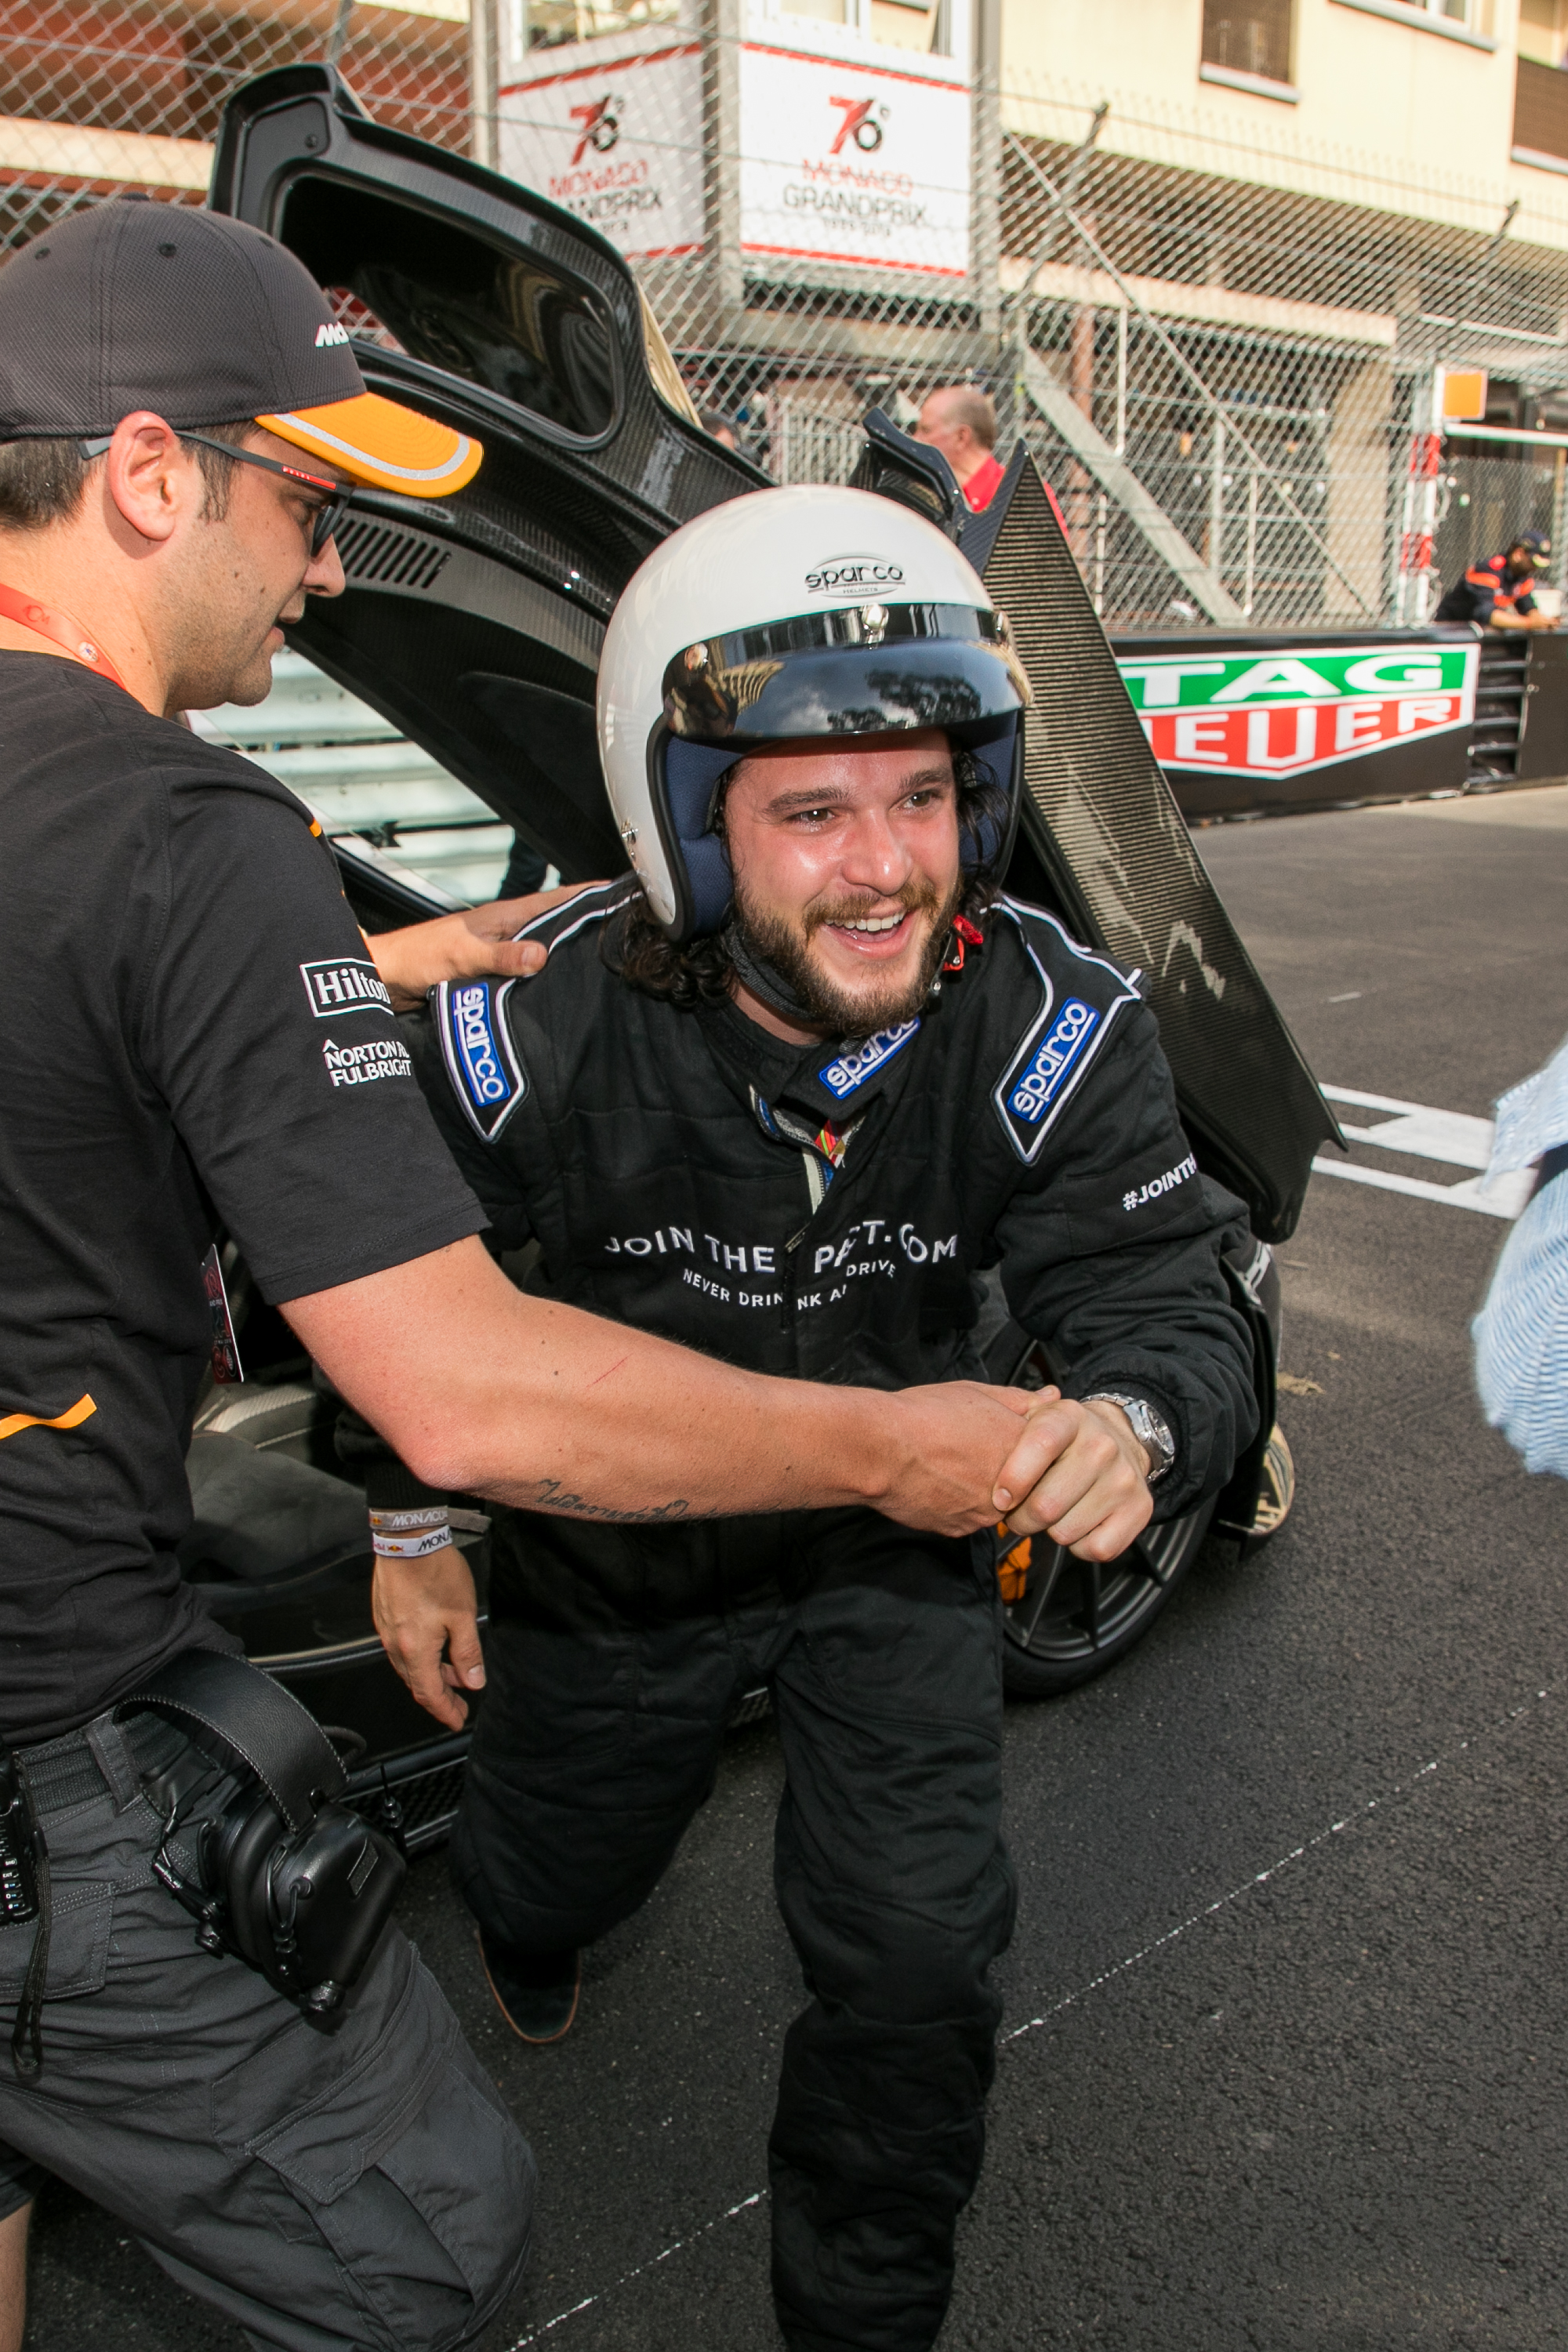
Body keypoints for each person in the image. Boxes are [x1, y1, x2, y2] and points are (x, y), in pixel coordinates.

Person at [0, 205, 1054, 2352]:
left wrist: (347, 971)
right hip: (42, 1749)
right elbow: (469, 1390)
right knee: (433, 2247)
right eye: (300, 505)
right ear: (143, 476)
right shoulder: (193, 842)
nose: (317, 576)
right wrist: (897, 1451)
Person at [361, 485, 1259, 2352]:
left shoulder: (1048, 1017)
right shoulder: (524, 1024)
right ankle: (531, 1919)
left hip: (893, 1558)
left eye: (921, 795)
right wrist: (409, 1530)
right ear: (684, 821)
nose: (883, 864)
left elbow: (1176, 1299)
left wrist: (1134, 1421)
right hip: (613, 1565)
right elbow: (394, 1302)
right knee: (548, 1869)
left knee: (918, 1963)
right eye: (811, 808)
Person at [1434, 529, 1556, 629]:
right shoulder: (1489, 570)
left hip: (1478, 633)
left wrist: (1542, 621)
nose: (1535, 568)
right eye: (1533, 562)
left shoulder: (1521, 578)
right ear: (1519, 554)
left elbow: (1528, 607)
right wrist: (1529, 624)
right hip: (1452, 629)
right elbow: (1487, 614)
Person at [913, 383, 1004, 512]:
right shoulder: (931, 495)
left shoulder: (1017, 494)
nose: (915, 439)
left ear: (961, 437)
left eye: (926, 430)